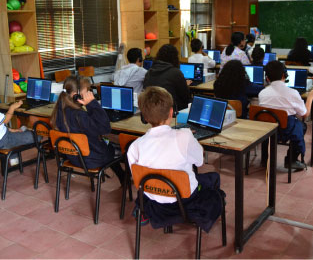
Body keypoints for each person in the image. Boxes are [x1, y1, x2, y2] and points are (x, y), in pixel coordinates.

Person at [128, 86, 225, 232]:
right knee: (213, 179)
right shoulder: (184, 136)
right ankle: (201, 217)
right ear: (171, 112)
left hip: (155, 201)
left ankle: (145, 213)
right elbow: (199, 161)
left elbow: (138, 178)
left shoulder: (134, 147)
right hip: (186, 200)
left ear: (145, 117)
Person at [50, 75, 124, 185]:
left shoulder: (59, 110)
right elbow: (105, 128)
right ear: (76, 96)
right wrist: (92, 104)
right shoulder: (79, 115)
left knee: (106, 144)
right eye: (87, 91)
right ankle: (125, 179)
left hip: (72, 156)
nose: (90, 94)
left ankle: (124, 178)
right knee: (116, 148)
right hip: (90, 159)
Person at [259, 61, 313, 170]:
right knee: (301, 126)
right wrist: (310, 97)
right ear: (284, 75)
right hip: (284, 132)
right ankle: (291, 159)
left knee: (270, 124)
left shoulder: (262, 93)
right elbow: (305, 114)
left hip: (266, 132)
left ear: (267, 78)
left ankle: (265, 160)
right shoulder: (292, 93)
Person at [143, 44, 190, 111]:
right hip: (171, 112)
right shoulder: (176, 73)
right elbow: (185, 97)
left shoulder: (149, 72)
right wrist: (185, 85)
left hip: (152, 111)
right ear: (175, 57)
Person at [0, 101, 39, 165]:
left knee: (19, 133)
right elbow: (6, 120)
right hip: (4, 140)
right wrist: (12, 107)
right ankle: (13, 157)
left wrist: (11, 130)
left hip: (4, 137)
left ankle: (13, 157)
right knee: (38, 136)